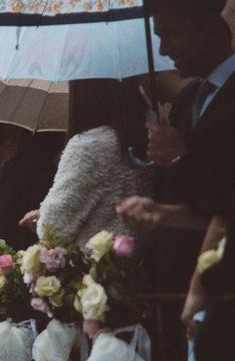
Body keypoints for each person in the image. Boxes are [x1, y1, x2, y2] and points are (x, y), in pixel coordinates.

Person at [144, 0, 235, 294]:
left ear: (215, 24)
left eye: (171, 33)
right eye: (157, 37)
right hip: (171, 288)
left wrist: (178, 158)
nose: (163, 50)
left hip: (220, 290)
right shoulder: (188, 98)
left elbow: (224, 200)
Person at [36, 79, 153, 245]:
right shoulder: (151, 137)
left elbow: (53, 227)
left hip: (95, 264)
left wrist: (38, 220)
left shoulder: (89, 146)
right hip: (139, 261)